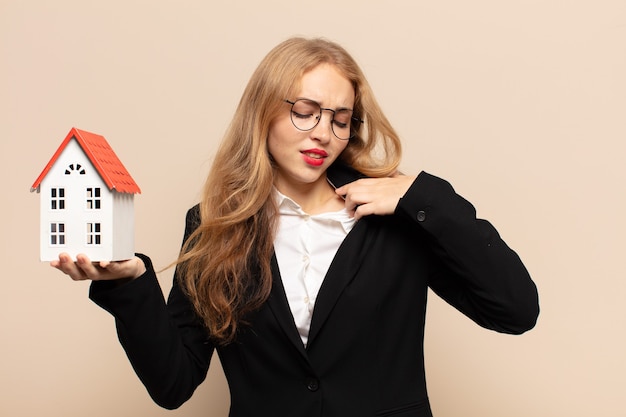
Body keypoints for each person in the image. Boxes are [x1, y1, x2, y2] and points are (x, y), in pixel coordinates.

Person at [52, 37, 539, 417]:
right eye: (305, 113)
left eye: (341, 120)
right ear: (262, 113)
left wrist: (422, 196)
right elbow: (173, 385)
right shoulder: (213, 226)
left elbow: (515, 309)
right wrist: (132, 285)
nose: (324, 134)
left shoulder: (400, 215)